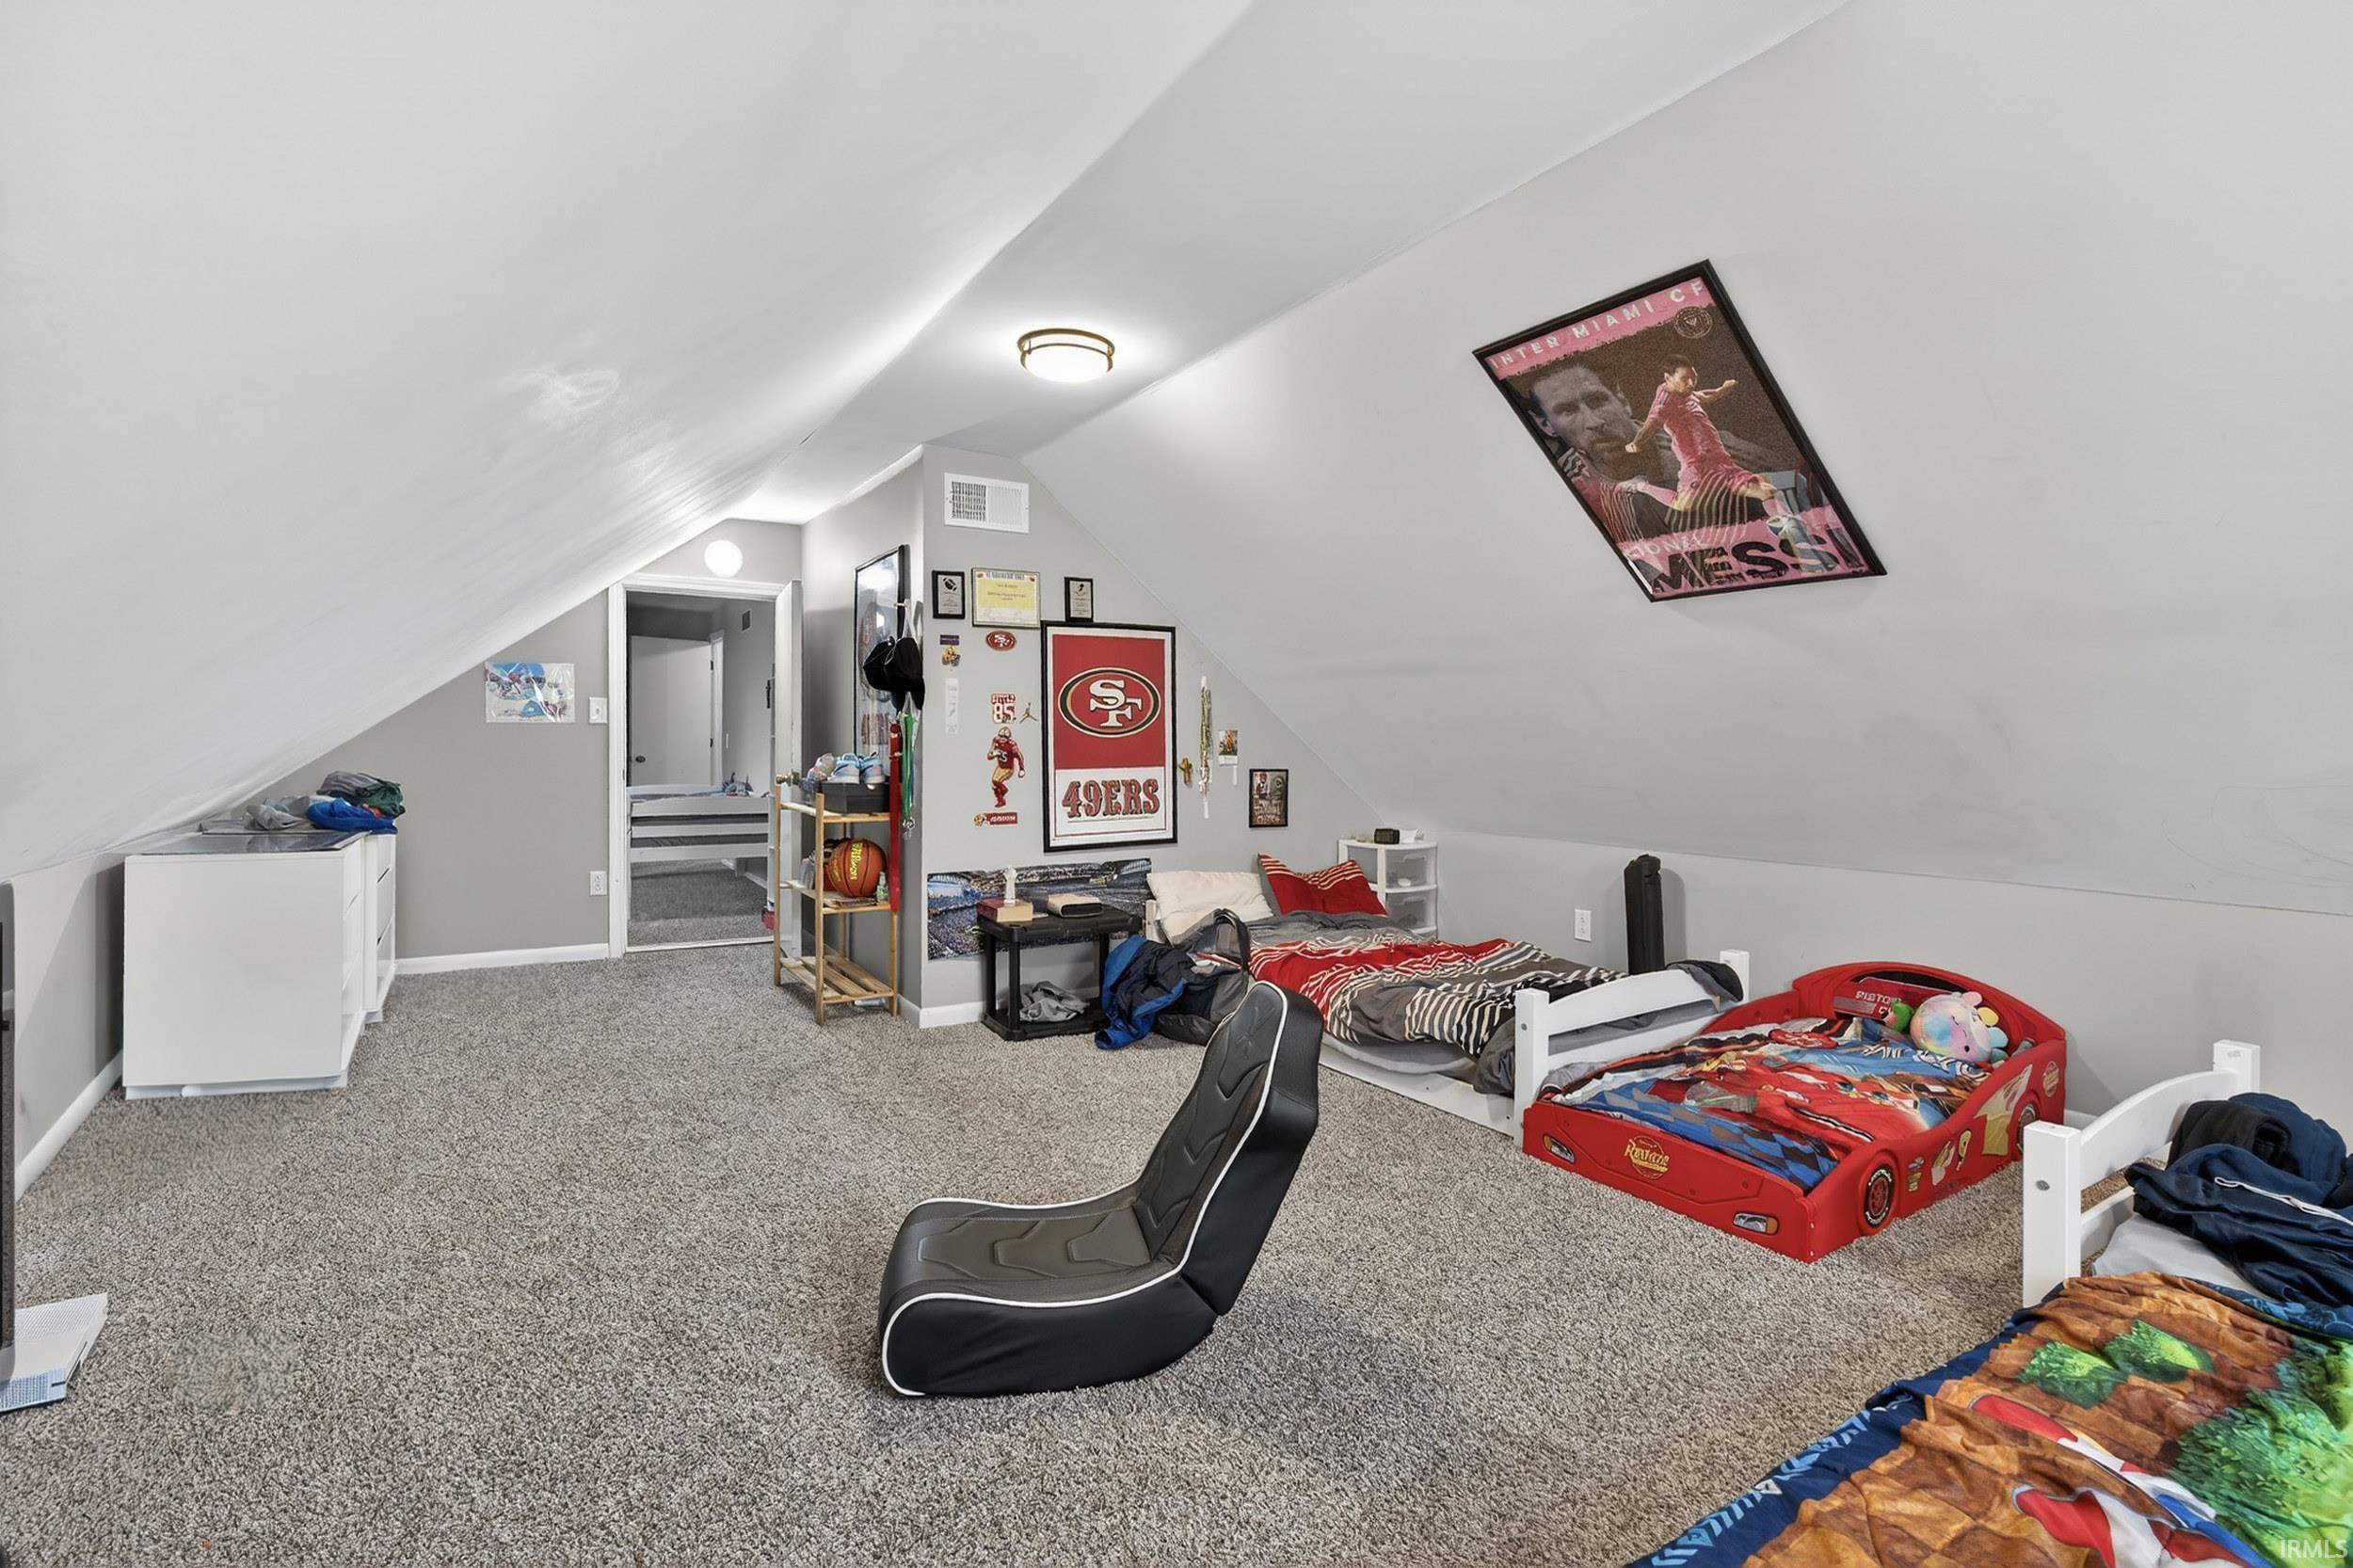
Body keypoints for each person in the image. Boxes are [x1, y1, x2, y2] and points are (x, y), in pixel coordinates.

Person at [1625, 359, 1797, 530]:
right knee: (1684, 505)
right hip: (1697, 467)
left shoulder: (1687, 392)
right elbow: (1652, 422)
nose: (1691, 383)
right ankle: (1641, 485)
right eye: (1685, 378)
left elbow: (1705, 395)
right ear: (1668, 378)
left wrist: (1723, 389)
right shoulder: (1665, 399)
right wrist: (1637, 442)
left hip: (1721, 462)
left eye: (1694, 377)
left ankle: (1789, 524)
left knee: (1767, 491)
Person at [984, 727, 1024, 808]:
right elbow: (989, 756)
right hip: (1000, 767)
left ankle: (1003, 791)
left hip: (1008, 768)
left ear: (1008, 738)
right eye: (1001, 736)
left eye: (1005, 737)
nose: (1002, 739)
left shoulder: (1012, 745)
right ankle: (1001, 800)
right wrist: (994, 754)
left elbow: (1019, 756)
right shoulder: (996, 741)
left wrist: (1021, 768)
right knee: (994, 785)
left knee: (996, 781)